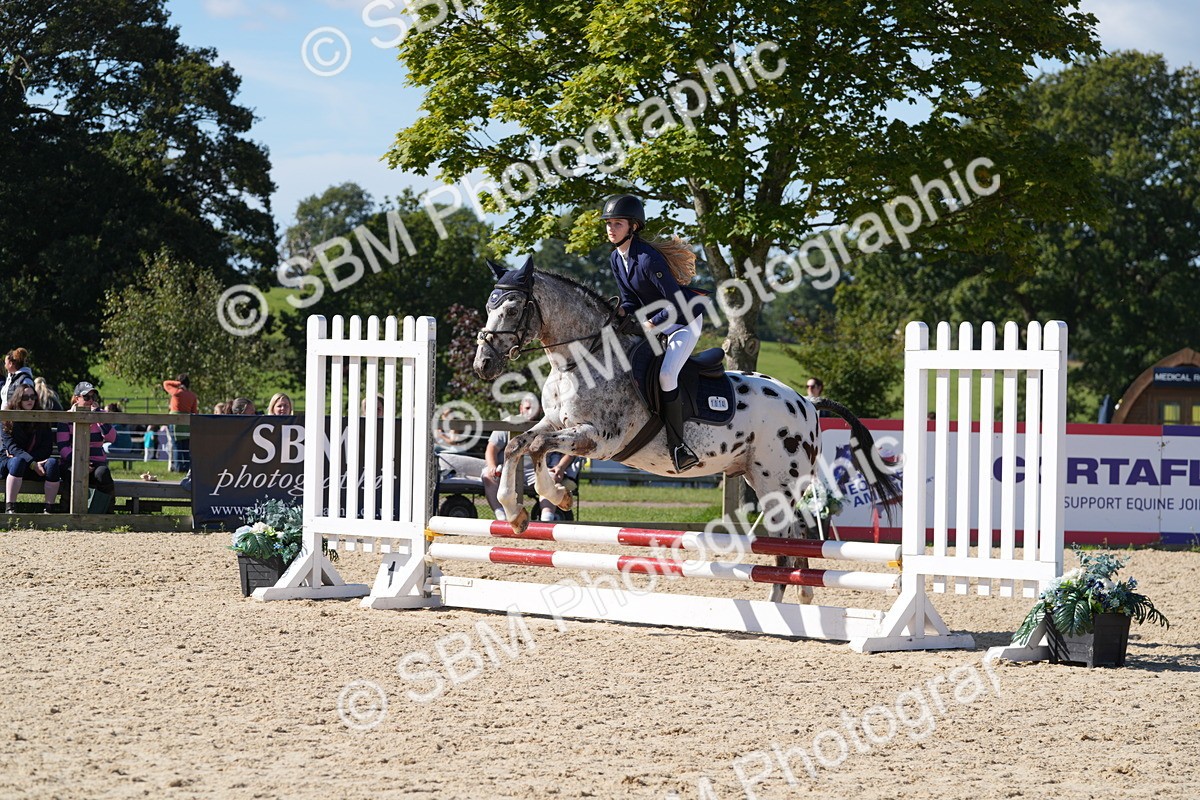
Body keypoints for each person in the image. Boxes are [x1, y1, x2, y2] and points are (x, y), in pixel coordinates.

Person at [600, 194, 707, 471]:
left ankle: (679, 445)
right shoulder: (616, 258)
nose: (611, 228)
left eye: (618, 223)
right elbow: (630, 301)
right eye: (609, 223)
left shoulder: (648, 259)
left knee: (667, 374)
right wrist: (617, 313)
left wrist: (650, 324)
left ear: (633, 226)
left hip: (683, 321)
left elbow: (675, 302)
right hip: (656, 321)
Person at [1, 385, 61, 513]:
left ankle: (49, 509)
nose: (30, 400)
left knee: (52, 464)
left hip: (38, 464)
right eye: (25, 397)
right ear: (18, 399)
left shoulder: (42, 419)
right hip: (11, 464)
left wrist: (34, 462)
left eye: (33, 397)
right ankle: (10, 508)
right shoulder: (7, 419)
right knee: (18, 461)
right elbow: (12, 448)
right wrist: (32, 463)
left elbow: (47, 448)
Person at [56, 382, 117, 507]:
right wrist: (80, 462)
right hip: (72, 461)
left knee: (103, 473)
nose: (90, 400)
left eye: (93, 397)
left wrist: (98, 417)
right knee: (71, 472)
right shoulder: (66, 418)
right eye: (86, 397)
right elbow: (63, 448)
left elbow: (112, 438)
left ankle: (106, 509)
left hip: (96, 462)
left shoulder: (101, 415)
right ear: (77, 398)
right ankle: (66, 509)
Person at [162, 374, 199, 472]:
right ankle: (187, 468)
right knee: (186, 445)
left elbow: (165, 383)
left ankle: (178, 468)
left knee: (177, 445)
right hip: (187, 421)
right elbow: (194, 411)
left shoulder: (176, 392)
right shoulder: (192, 396)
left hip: (175, 421)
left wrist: (178, 384)